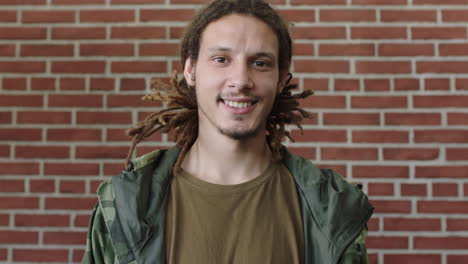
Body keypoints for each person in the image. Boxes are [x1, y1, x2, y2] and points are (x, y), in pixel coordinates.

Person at [82, 0, 374, 263]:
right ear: (190, 70)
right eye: (221, 59)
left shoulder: (331, 209)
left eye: (260, 63)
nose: (240, 80)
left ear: (282, 79)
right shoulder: (125, 204)